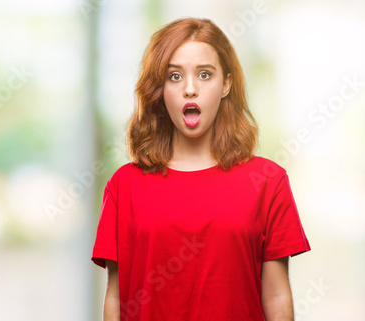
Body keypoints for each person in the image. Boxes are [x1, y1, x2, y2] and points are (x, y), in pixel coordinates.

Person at [91, 17, 311, 321]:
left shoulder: (268, 182)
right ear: (159, 88)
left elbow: (275, 294)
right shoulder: (124, 185)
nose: (190, 89)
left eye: (205, 74)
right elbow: (115, 297)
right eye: (174, 76)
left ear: (226, 84)